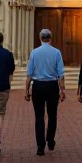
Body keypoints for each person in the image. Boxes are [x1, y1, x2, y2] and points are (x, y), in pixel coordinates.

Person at [25, 28, 66, 156]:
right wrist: (62, 90)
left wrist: (26, 90)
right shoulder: (56, 52)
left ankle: (40, 145)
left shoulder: (34, 53)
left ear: (40, 38)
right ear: (51, 38)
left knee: (39, 116)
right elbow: (61, 74)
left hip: (38, 86)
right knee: (52, 115)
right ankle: (50, 140)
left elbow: (29, 74)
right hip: (52, 86)